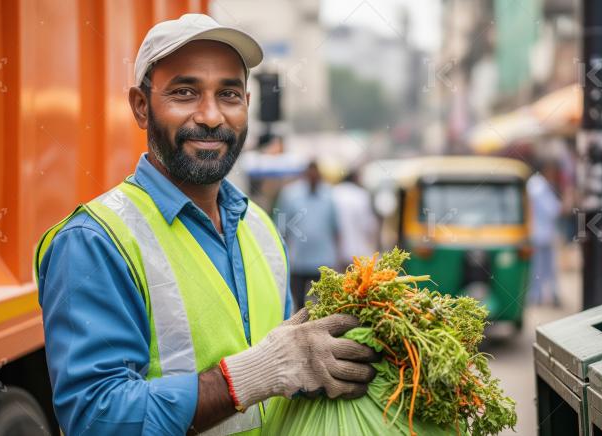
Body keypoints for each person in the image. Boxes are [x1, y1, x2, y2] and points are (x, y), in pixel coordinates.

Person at [35, 14, 377, 435]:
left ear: (247, 106)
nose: (212, 116)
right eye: (185, 92)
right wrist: (259, 372)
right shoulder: (95, 241)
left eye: (229, 94)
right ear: (141, 108)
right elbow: (99, 419)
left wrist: (326, 364)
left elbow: (278, 384)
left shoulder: (261, 228)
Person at [274, 161, 340, 309]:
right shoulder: (290, 194)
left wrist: (337, 255)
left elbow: (335, 228)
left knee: (324, 304)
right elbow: (281, 225)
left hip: (323, 260)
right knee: (299, 305)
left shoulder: (329, 195)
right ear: (305, 175)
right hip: (298, 260)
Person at [527, 161, 562, 307]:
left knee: (540, 268)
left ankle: (540, 296)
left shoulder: (533, 184)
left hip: (537, 233)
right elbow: (552, 209)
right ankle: (542, 296)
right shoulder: (540, 186)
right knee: (544, 268)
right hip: (542, 234)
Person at [332, 169, 379, 269]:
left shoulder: (333, 193)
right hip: (359, 250)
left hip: (336, 252)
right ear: (355, 178)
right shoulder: (361, 195)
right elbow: (369, 225)